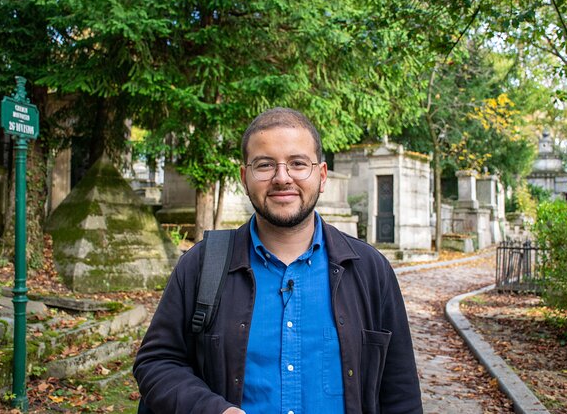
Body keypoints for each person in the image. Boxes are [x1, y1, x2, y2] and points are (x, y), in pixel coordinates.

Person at [133, 107, 423, 414]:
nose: (282, 178)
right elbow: (157, 362)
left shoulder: (369, 270)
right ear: (245, 178)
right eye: (265, 165)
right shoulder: (201, 265)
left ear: (321, 176)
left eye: (298, 164)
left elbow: (400, 392)